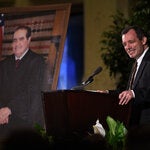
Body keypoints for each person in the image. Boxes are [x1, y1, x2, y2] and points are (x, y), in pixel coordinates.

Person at [98, 25, 150, 127]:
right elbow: (129, 91)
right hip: (137, 126)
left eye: (131, 42)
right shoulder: (137, 63)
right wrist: (108, 93)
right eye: (124, 44)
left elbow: (138, 91)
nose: (127, 47)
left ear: (143, 40)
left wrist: (133, 93)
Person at [0, 26, 46, 139]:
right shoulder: (4, 64)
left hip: (26, 120)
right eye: (14, 40)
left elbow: (32, 91)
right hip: (3, 119)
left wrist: (9, 109)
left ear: (29, 40)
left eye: (21, 39)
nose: (17, 43)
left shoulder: (37, 62)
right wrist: (1, 111)